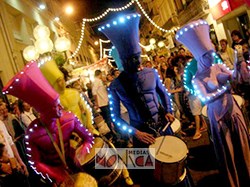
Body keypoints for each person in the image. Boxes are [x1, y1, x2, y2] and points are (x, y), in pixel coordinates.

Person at [176, 19, 250, 187]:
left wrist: (239, 63)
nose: (211, 57)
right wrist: (226, 87)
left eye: (211, 53)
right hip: (218, 116)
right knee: (228, 151)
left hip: (233, 111)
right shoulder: (197, 78)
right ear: (200, 57)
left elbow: (234, 78)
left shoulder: (218, 66)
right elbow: (206, 98)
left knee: (243, 145)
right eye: (207, 55)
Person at [2, 62, 96, 186]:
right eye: (55, 105)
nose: (61, 107)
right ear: (45, 109)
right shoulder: (33, 133)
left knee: (108, 166)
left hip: (81, 167)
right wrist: (56, 174)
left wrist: (83, 151)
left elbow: (88, 138)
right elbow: (36, 163)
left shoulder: (69, 119)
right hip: (58, 180)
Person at [99, 13, 175, 148]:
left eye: (137, 57)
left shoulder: (152, 73)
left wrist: (169, 111)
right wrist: (135, 132)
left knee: (174, 160)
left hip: (163, 125)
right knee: (146, 167)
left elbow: (163, 93)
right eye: (131, 59)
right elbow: (115, 117)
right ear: (123, 61)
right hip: (140, 132)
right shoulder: (116, 86)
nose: (135, 61)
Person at [39, 60, 99, 135]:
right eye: (58, 81)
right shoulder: (53, 101)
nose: (62, 83)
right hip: (70, 135)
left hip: (85, 128)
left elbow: (86, 109)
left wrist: (89, 125)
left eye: (62, 79)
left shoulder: (74, 92)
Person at [183, 58, 207, 140]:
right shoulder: (198, 64)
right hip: (199, 91)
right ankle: (204, 125)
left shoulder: (189, 68)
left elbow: (187, 84)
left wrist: (189, 91)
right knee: (200, 110)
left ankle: (197, 131)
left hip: (194, 93)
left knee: (196, 113)